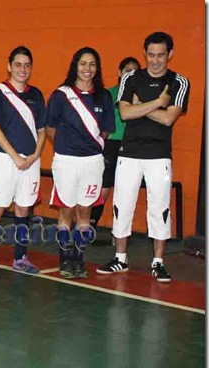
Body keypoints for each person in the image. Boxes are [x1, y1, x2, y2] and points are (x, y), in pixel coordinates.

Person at [97, 32, 190, 282]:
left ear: (170, 54)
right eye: (151, 55)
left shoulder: (179, 82)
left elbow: (169, 117)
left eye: (161, 55)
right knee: (122, 204)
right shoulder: (131, 78)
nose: (155, 60)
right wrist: (158, 103)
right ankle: (120, 258)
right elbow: (125, 115)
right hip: (129, 153)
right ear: (144, 53)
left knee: (159, 207)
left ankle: (158, 262)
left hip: (159, 155)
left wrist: (141, 107)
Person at [45, 47, 114, 278]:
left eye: (92, 64)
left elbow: (105, 131)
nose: (87, 69)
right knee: (66, 211)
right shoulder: (61, 95)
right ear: (75, 66)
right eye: (83, 63)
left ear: (97, 68)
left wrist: (88, 148)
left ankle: (78, 258)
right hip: (66, 161)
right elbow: (50, 128)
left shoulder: (103, 96)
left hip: (93, 163)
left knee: (85, 212)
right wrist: (68, 146)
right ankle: (65, 258)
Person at [0, 46, 46, 277]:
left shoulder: (36, 95)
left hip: (30, 162)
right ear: (9, 66)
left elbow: (41, 131)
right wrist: (15, 156)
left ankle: (20, 258)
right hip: (4, 160)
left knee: (23, 209)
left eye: (27, 65)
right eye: (18, 64)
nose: (22, 69)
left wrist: (35, 155)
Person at [90, 56, 141, 236]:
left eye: (134, 72)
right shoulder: (107, 94)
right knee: (102, 188)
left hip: (132, 147)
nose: (130, 74)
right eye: (127, 70)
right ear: (120, 73)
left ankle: (120, 232)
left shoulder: (141, 97)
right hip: (110, 145)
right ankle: (89, 226)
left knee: (126, 192)